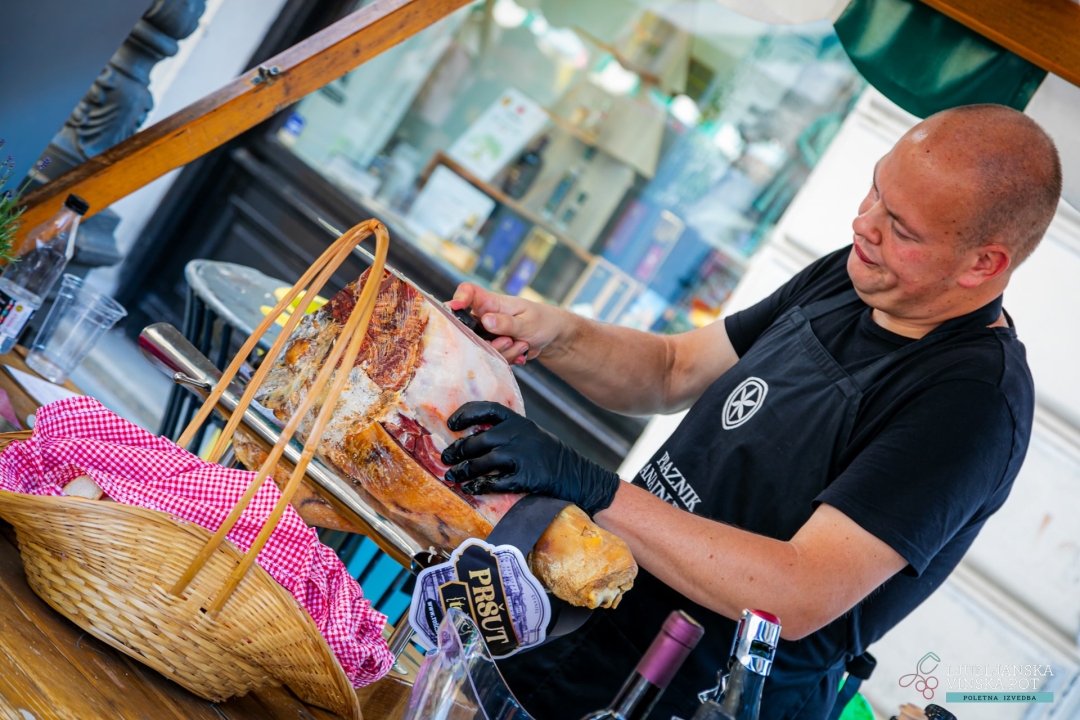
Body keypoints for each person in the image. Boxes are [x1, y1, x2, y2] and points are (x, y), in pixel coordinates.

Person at [439, 104, 1062, 720]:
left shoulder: (971, 402)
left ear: (984, 263)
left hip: (680, 700)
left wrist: (591, 486)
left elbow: (797, 591)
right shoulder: (851, 279)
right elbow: (671, 370)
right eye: (875, 188)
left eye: (902, 228)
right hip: (551, 644)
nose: (863, 223)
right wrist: (554, 333)